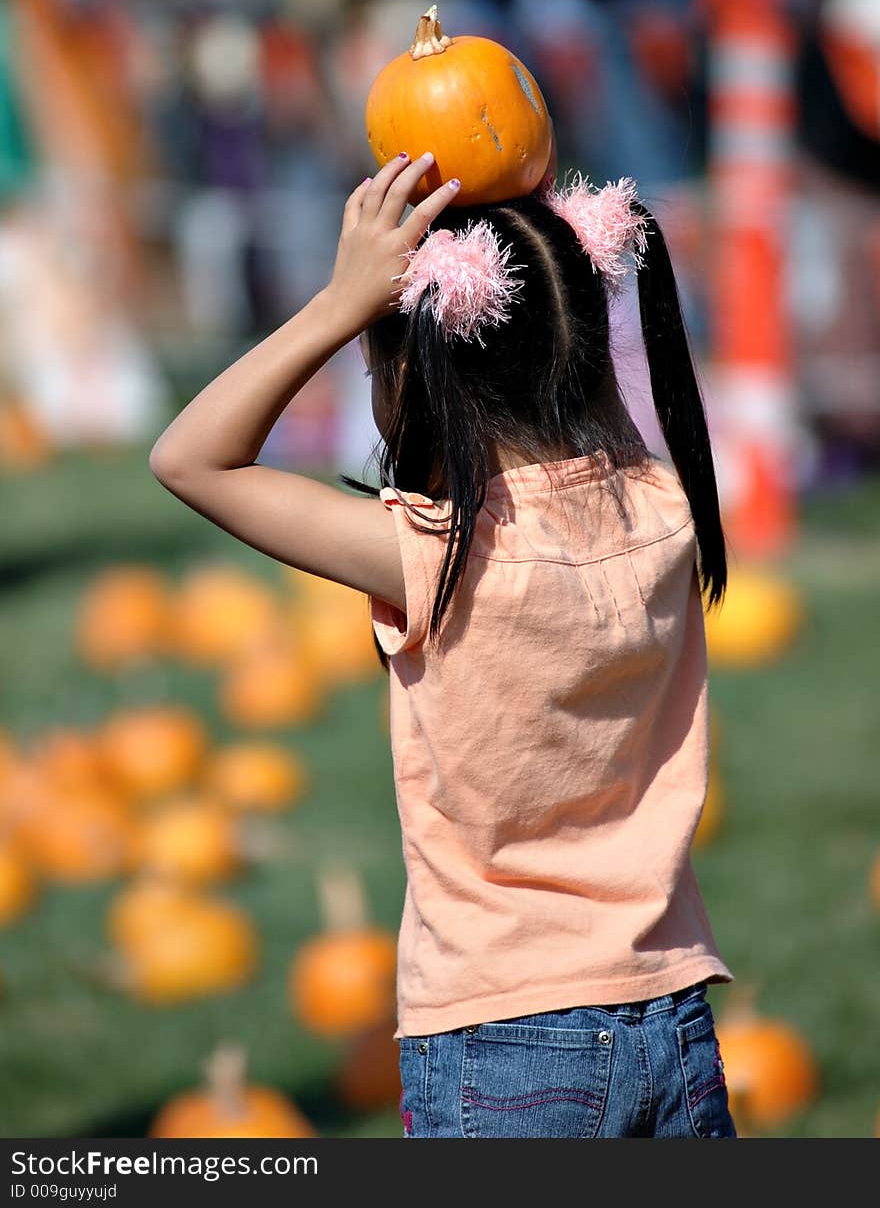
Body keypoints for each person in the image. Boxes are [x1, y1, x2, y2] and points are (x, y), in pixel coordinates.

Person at [149, 149, 737, 1139]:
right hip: (669, 1016)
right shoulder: (665, 508)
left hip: (500, 1036)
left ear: (413, 367)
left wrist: (337, 304)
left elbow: (188, 457)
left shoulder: (439, 554)